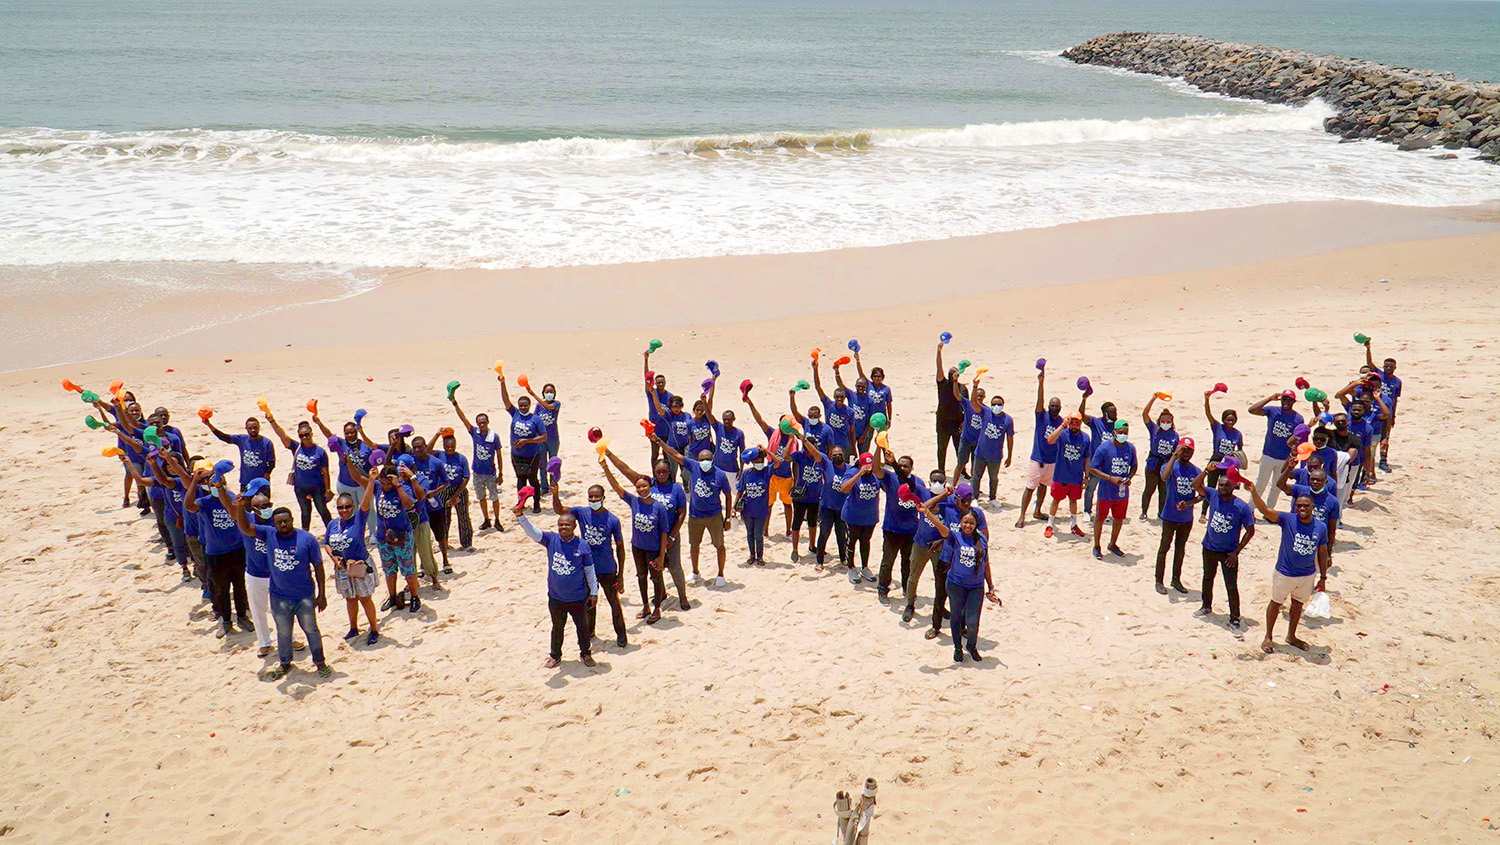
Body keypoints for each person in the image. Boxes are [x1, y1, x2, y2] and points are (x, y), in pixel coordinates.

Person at [231, 503, 330, 679]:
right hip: (279, 597)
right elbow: (245, 527)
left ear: (292, 520)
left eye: (286, 521)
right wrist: (239, 507)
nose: (283, 525)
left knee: (311, 629)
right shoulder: (268, 535)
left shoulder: (307, 539)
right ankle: (285, 663)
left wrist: (321, 594)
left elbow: (319, 567)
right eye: (279, 522)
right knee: (283, 632)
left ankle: (320, 662)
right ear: (274, 524)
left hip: (304, 596)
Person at [603, 448, 691, 610]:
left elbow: (681, 513)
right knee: (655, 569)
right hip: (650, 538)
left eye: (665, 471)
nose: (662, 474)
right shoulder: (648, 484)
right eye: (658, 472)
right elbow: (625, 470)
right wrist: (608, 454)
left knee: (674, 567)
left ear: (670, 472)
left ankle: (682, 596)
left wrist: (672, 536)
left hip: (669, 535)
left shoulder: (676, 489)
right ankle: (661, 594)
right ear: (654, 473)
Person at [1248, 483, 1329, 654]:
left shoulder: (1321, 527)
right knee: (1276, 603)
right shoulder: (1287, 519)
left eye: (1306, 506)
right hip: (1285, 573)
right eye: (1298, 505)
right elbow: (1264, 509)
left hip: (1307, 575)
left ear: (1313, 507)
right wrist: (1254, 491)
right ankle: (1268, 636)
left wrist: (1323, 577)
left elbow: (1322, 553)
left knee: (1298, 605)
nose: (1302, 509)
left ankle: (1291, 636)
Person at [516, 505, 599, 668]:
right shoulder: (551, 539)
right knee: (557, 627)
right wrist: (521, 517)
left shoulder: (583, 545)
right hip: (556, 597)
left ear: (574, 527)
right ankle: (555, 655)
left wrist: (594, 592)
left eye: (567, 525)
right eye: (560, 524)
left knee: (582, 627)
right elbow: (533, 533)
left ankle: (585, 654)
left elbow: (589, 570)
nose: (563, 527)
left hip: (578, 597)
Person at [915, 501, 997, 663]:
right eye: (965, 522)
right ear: (960, 523)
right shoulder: (954, 536)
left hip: (976, 587)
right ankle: (957, 647)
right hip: (956, 585)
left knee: (973, 621)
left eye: (971, 523)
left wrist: (991, 586)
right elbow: (941, 528)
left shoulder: (982, 539)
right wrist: (927, 513)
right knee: (956, 617)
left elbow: (986, 563)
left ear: (976, 524)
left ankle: (971, 646)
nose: (968, 525)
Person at [650, 432, 733, 587]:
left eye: (707, 459)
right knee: (694, 545)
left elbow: (728, 495)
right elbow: (675, 454)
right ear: (698, 460)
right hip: (695, 516)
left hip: (714, 516)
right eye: (702, 460)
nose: (704, 462)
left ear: (712, 459)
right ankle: (695, 572)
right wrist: (659, 441)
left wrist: (728, 517)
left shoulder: (720, 475)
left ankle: (721, 574)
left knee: (719, 545)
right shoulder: (694, 466)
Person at [345, 457, 426, 613]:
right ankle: (392, 597)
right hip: (384, 538)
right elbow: (356, 477)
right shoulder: (377, 487)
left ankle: (415, 596)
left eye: (388, 483)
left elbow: (409, 505)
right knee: (389, 570)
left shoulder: (402, 488)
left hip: (402, 537)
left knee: (408, 570)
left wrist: (397, 485)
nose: (386, 486)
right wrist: (348, 461)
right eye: (383, 483)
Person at [1184, 462, 1257, 632]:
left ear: (1234, 486)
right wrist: (1206, 471)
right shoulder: (1212, 495)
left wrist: (1236, 552)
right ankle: (1206, 606)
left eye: (1227, 485)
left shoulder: (1242, 507)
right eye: (1221, 485)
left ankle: (1235, 617)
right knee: (1207, 578)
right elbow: (1195, 485)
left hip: (1228, 553)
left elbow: (1250, 531)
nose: (1223, 487)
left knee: (1231, 585)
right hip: (1209, 547)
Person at [553, 483, 627, 648]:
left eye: (596, 497)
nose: (593, 499)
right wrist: (555, 494)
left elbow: (620, 548)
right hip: (586, 567)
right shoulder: (582, 512)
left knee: (613, 602)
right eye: (590, 497)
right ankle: (590, 631)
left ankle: (621, 635)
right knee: (588, 602)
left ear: (603, 498)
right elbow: (560, 510)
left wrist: (621, 574)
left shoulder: (613, 520)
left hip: (607, 569)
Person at [184, 466, 252, 638]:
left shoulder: (230, 497)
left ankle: (242, 617)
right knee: (221, 590)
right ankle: (226, 621)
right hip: (215, 553)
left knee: (239, 586)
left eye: (216, 482)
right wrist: (194, 481)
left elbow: (235, 512)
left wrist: (221, 490)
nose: (213, 485)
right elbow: (188, 505)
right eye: (209, 482)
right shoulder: (204, 501)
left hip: (237, 549)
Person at [601, 455, 670, 623]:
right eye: (638, 487)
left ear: (650, 487)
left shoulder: (659, 507)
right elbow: (617, 488)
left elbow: (664, 533)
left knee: (656, 578)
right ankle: (646, 605)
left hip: (654, 549)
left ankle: (657, 608)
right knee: (641, 577)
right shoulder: (634, 502)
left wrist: (662, 556)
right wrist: (605, 468)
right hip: (638, 547)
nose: (641, 490)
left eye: (644, 486)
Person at [325, 486, 380, 646]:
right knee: (350, 598)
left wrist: (370, 481)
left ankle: (374, 629)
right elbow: (328, 543)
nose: (344, 510)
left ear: (353, 507)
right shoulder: (332, 524)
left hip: (359, 565)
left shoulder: (358, 520)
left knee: (365, 598)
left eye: (348, 506)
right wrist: (333, 557)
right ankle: (353, 628)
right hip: (342, 568)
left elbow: (366, 501)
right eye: (340, 507)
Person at [264, 412, 334, 530]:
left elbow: (325, 472)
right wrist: (272, 421)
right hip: (300, 487)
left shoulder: (320, 452)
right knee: (305, 511)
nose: (305, 437)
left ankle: (332, 531)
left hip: (317, 487)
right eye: (301, 435)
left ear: (311, 434)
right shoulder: (296, 447)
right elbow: (282, 435)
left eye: (307, 434)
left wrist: (328, 489)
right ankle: (305, 533)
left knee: (322, 510)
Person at [742, 391, 796, 538]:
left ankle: (788, 530)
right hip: (771, 475)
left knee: (787, 505)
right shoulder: (773, 434)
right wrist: (750, 403)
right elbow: (760, 421)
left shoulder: (794, 439)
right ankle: (765, 531)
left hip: (786, 476)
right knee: (769, 505)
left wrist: (796, 482)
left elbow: (793, 460)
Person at [876, 447, 927, 601]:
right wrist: (878, 447)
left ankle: (906, 588)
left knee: (907, 563)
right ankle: (883, 590)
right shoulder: (890, 478)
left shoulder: (918, 482)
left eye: (906, 466)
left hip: (911, 530)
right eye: (901, 465)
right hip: (892, 529)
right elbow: (876, 469)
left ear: (912, 468)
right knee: (887, 562)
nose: (903, 468)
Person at [450, 393, 505, 531]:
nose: (482, 425)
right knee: (481, 498)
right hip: (477, 473)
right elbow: (463, 419)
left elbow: (499, 455)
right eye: (479, 422)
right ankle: (486, 519)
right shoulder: (475, 433)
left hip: (491, 473)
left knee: (494, 498)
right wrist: (455, 403)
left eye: (484, 422)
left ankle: (497, 520)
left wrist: (500, 473)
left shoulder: (494, 437)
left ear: (488, 422)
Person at [1017, 364, 1061, 528]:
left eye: (1057, 406)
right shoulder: (1042, 416)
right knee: (1030, 488)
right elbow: (1040, 401)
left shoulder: (1061, 422)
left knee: (1043, 486)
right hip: (1038, 459)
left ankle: (1037, 510)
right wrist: (1041, 383)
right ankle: (1022, 515)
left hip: (1051, 461)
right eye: (1052, 406)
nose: (1054, 408)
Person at [1154, 439, 1200, 594]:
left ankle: (1176, 579)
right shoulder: (1171, 467)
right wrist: (1174, 456)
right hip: (1169, 516)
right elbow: (1164, 477)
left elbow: (1202, 495)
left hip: (1186, 518)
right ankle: (1159, 581)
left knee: (1180, 550)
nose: (1186, 453)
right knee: (1164, 548)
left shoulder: (1196, 471)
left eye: (1189, 450)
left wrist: (1188, 503)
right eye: (1184, 449)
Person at [780, 423, 831, 563]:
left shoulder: (821, 457)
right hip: (800, 496)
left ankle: (812, 545)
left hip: (815, 496)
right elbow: (785, 457)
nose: (809, 452)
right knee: (796, 523)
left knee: (813, 523)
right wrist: (791, 440)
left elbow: (827, 476)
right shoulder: (800, 455)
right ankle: (795, 549)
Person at [1088, 419, 1137, 559]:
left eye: (1125, 432)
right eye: (1120, 432)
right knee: (1100, 519)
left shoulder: (1130, 448)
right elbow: (1092, 468)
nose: (1123, 435)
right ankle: (1097, 546)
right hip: (1106, 491)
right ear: (1114, 432)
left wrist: (1129, 477)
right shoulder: (1104, 448)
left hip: (1122, 492)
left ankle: (1113, 544)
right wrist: (1110, 478)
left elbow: (1134, 465)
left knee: (1119, 518)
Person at [407, 436, 452, 587]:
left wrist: (435, 491)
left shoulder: (436, 462)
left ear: (426, 446)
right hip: (418, 507)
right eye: (415, 447)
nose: (418, 450)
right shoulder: (411, 463)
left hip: (434, 506)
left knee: (440, 535)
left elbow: (446, 482)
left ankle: (445, 560)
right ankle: (421, 564)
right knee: (420, 538)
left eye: (420, 447)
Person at [1248, 390, 1303, 510]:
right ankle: (1251, 508)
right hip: (1268, 454)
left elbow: (1299, 437)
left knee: (1277, 487)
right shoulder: (1273, 411)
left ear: (1294, 401)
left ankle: (1269, 510)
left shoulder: (1298, 418)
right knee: (1261, 484)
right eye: (1284, 399)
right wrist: (1269, 398)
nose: (1286, 402)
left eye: (1289, 400)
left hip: (1284, 458)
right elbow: (1252, 410)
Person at [500, 375, 548, 511]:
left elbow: (544, 437)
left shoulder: (536, 419)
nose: (523, 408)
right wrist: (503, 383)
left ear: (529, 406)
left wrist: (527, 441)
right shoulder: (515, 414)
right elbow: (506, 400)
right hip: (516, 454)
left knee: (532, 479)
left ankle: (536, 503)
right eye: (521, 406)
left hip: (532, 454)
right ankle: (521, 502)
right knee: (520, 479)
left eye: (525, 406)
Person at [839, 451, 885, 583]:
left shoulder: (876, 474)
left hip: (870, 517)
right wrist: (860, 473)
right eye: (866, 466)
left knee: (865, 542)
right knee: (851, 542)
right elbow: (844, 488)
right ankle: (851, 567)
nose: (868, 469)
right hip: (853, 517)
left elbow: (886, 487)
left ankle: (865, 567)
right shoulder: (852, 473)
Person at [1278, 466, 1341, 561]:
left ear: (1326, 482)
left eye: (1319, 480)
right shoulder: (1301, 490)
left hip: (1315, 539)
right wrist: (1289, 468)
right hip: (1296, 535)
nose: (1315, 482)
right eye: (1313, 479)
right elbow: (1280, 485)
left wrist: (1328, 552)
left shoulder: (1333, 501)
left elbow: (1331, 529)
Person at [1043, 411, 1090, 538]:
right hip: (1061, 475)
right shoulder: (1063, 434)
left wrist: (1086, 476)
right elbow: (1050, 440)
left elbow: (1086, 458)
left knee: (1073, 501)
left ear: (1080, 423)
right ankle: (1050, 524)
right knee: (1056, 500)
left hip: (1076, 477)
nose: (1074, 425)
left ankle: (1074, 525)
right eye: (1072, 422)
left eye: (1077, 422)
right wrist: (1062, 425)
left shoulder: (1085, 438)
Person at [312, 412, 374, 509]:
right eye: (347, 433)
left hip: (362, 485)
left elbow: (373, 464)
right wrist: (319, 423)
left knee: (368, 511)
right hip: (345, 484)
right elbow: (329, 435)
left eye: (352, 432)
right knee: (350, 512)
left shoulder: (366, 446)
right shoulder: (341, 443)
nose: (349, 435)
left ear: (356, 432)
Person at [1201, 390, 1243, 522]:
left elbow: (1240, 453)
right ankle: (1203, 513)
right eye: (1227, 420)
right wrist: (1207, 399)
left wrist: (1237, 471)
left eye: (1232, 420)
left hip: (1229, 463)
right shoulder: (1218, 428)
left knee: (1226, 488)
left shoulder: (1238, 434)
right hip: (1216, 460)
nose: (1230, 422)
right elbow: (1208, 414)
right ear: (1223, 420)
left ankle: (1221, 511)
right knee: (1210, 487)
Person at [204, 413, 277, 490]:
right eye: (250, 428)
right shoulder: (242, 439)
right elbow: (225, 437)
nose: (253, 430)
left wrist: (267, 473)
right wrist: (209, 425)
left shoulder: (267, 443)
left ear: (259, 427)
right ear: (246, 428)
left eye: (255, 428)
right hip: (245, 482)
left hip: (261, 482)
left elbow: (272, 462)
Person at [1078, 385, 1118, 517]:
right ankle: (1087, 511)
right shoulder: (1096, 422)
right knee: (1090, 488)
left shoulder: (1116, 426)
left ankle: (1103, 513)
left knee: (1107, 490)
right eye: (1113, 413)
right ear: (1105, 414)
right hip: (1095, 463)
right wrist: (1084, 399)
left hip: (1109, 464)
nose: (1115, 415)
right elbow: (1081, 415)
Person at [968, 387, 1013, 503]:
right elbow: (973, 402)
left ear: (1003, 405)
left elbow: (1010, 438)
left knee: (993, 478)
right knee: (976, 477)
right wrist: (974, 386)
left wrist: (1010, 456)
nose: (996, 406)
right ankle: (975, 497)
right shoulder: (985, 412)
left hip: (995, 455)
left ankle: (992, 498)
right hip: (981, 453)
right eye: (994, 404)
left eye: (999, 404)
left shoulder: (1008, 420)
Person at [812, 443, 852, 571]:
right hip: (827, 507)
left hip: (842, 509)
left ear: (844, 456)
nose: (837, 457)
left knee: (841, 535)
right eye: (834, 455)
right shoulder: (827, 465)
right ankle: (819, 561)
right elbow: (815, 453)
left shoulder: (849, 469)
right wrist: (804, 439)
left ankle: (843, 558)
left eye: (840, 455)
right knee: (824, 533)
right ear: (830, 457)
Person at [1363, 339, 1402, 472]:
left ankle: (1383, 460)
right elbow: (1369, 363)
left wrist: (1393, 415)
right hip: (1375, 410)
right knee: (1373, 435)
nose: (1388, 368)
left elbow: (1395, 399)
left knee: (1385, 436)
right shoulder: (1379, 375)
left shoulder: (1397, 382)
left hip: (1388, 411)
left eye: (1391, 366)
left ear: (1395, 367)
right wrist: (1368, 349)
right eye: (1386, 366)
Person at [1139, 394, 1179, 519]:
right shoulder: (1154, 429)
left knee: (1163, 492)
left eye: (1168, 421)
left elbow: (1176, 454)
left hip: (1166, 466)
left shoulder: (1175, 435)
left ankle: (1161, 514)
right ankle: (1144, 511)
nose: (1165, 423)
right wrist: (1153, 399)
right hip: (1152, 463)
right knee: (1149, 489)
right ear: (1159, 421)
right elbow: (1145, 415)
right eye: (1163, 421)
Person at [434, 430, 474, 553]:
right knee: (443, 518)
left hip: (459, 489)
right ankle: (443, 543)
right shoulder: (439, 456)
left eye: (452, 446)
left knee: (463, 517)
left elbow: (466, 477)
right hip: (443, 490)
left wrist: (456, 495)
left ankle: (467, 543)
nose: (450, 449)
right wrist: (436, 435)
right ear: (443, 446)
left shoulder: (461, 458)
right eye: (447, 447)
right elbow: (427, 450)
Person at [733, 447, 772, 565]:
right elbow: (740, 491)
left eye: (762, 461)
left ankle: (760, 557)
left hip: (761, 510)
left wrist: (766, 450)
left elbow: (778, 462)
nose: (760, 464)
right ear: (753, 462)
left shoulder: (767, 472)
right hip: (747, 510)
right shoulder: (746, 473)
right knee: (749, 533)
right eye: (757, 462)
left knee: (758, 535)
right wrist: (733, 507)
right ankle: (752, 555)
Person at [811, 359, 857, 457]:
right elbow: (818, 387)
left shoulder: (850, 412)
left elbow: (852, 431)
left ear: (845, 397)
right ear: (834, 396)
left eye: (841, 397)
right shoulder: (828, 405)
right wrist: (815, 369)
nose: (839, 399)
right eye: (837, 396)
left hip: (844, 444)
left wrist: (853, 448)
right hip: (830, 443)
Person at [934, 343, 967, 474]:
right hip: (942, 420)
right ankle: (941, 469)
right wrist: (939, 352)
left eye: (954, 373)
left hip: (957, 421)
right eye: (950, 373)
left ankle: (962, 470)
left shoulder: (962, 388)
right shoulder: (942, 384)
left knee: (959, 448)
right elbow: (939, 367)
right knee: (942, 447)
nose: (952, 375)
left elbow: (965, 405)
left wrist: (964, 422)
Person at [525, 380, 562, 494]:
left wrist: (533, 394)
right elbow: (535, 420)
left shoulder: (556, 404)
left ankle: (553, 484)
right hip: (541, 438)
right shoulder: (538, 407)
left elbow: (548, 406)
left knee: (553, 463)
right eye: (547, 391)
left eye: (551, 391)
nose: (549, 393)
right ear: (543, 393)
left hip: (553, 438)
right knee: (542, 464)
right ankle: (544, 487)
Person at [832, 360, 874, 452]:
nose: (860, 388)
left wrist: (865, 434)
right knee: (851, 454)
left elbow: (870, 419)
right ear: (855, 386)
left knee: (863, 454)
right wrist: (837, 372)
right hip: (851, 432)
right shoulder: (851, 395)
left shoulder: (870, 400)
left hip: (864, 432)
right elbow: (840, 385)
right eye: (858, 386)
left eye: (862, 386)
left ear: (866, 387)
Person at [643, 348, 675, 468]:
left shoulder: (670, 396)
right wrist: (646, 360)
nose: (660, 384)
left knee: (666, 455)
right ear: (655, 383)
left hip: (667, 431)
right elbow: (646, 378)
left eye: (662, 382)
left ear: (665, 382)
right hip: (653, 430)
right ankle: (655, 475)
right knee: (654, 455)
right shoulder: (652, 393)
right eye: (658, 383)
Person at [953, 379, 984, 482]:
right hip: (966, 440)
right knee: (960, 464)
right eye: (977, 395)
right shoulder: (968, 404)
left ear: (984, 397)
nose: (978, 398)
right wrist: (955, 381)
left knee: (975, 467)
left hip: (978, 442)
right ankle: (953, 485)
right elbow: (957, 395)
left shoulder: (986, 410)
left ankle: (974, 487)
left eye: (981, 396)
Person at [711, 408, 746, 491]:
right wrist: (705, 401)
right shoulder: (718, 427)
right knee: (716, 490)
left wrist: (741, 469)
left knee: (736, 491)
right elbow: (709, 415)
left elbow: (742, 452)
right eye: (724, 419)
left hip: (732, 469)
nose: (726, 421)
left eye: (729, 419)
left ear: (734, 419)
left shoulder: (739, 433)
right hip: (717, 468)